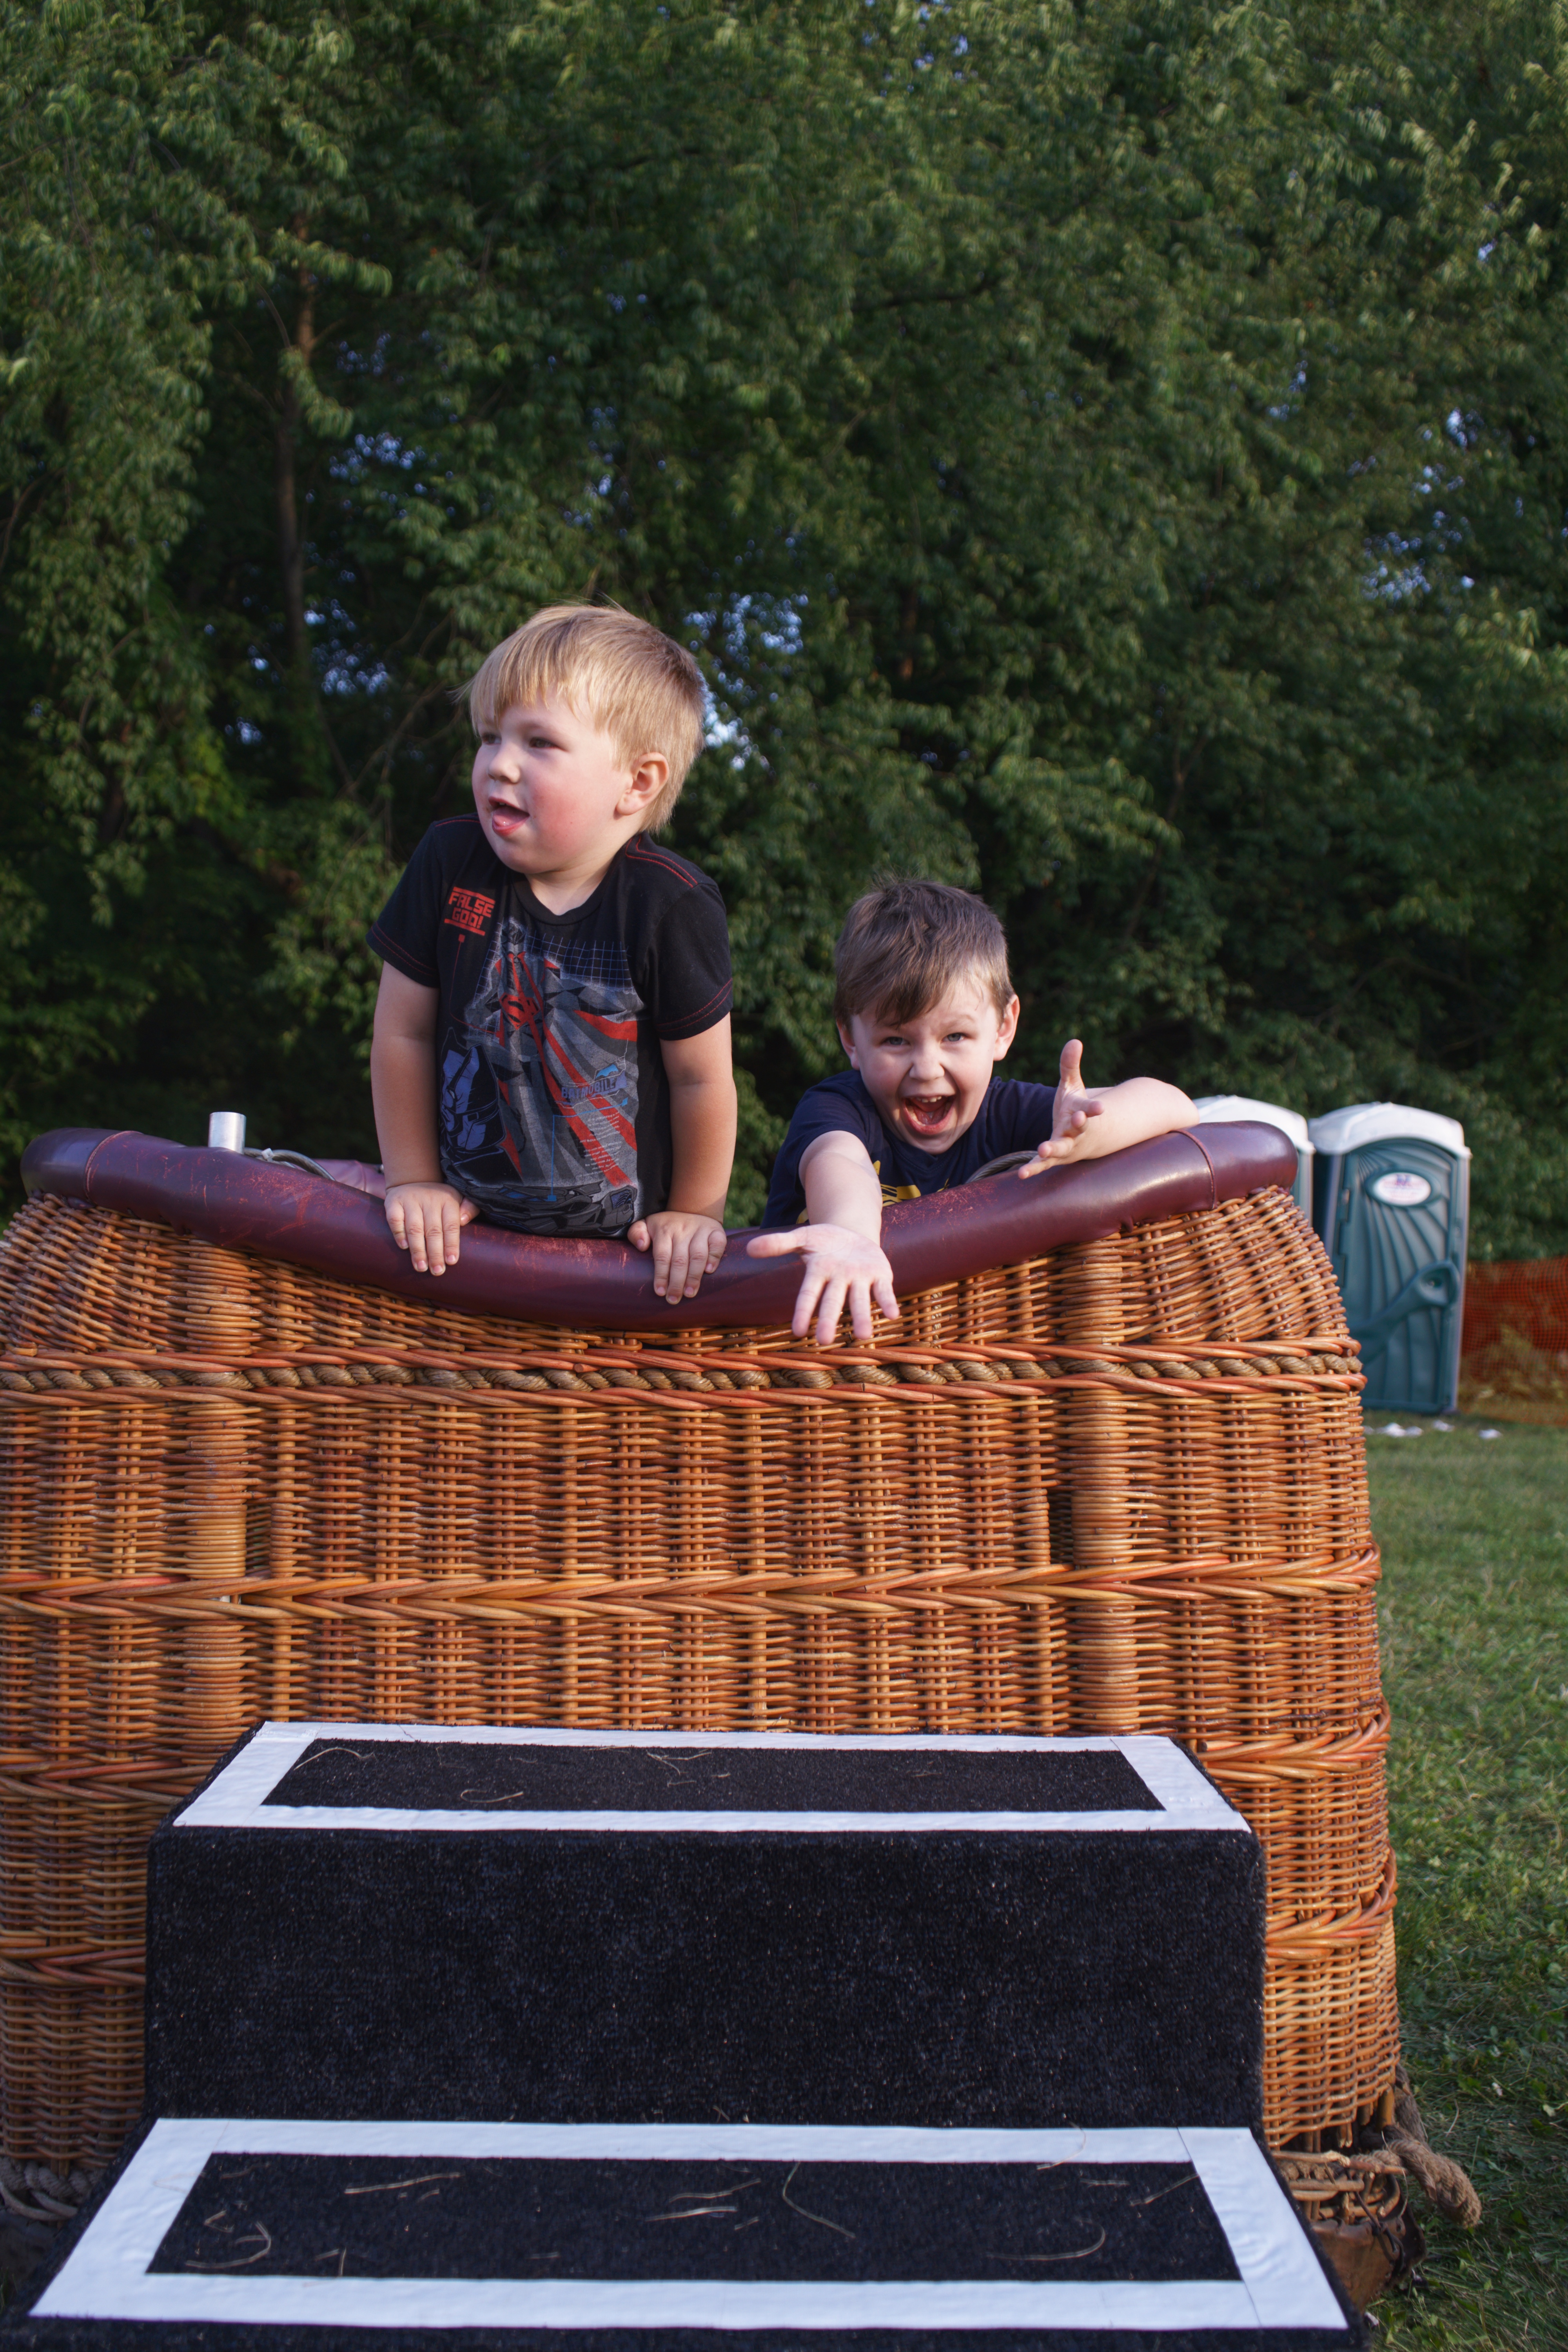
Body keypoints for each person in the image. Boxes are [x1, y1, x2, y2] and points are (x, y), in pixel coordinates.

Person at [367, 605, 737, 1303]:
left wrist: (694, 1215)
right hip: (463, 1245)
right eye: (489, 737)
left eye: (539, 743)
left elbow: (702, 1082)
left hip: (620, 1266)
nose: (499, 764)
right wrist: (413, 1180)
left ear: (638, 783)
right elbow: (403, 1031)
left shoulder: (670, 905)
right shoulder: (449, 862)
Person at [750, 880, 1196, 1342]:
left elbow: (1175, 1104)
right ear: (850, 1039)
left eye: (954, 1037)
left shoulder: (1010, 1112)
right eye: (896, 1040)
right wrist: (850, 1237)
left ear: (1003, 1027)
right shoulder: (837, 1108)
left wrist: (1089, 1133)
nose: (926, 1069)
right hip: (817, 1350)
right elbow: (839, 1163)